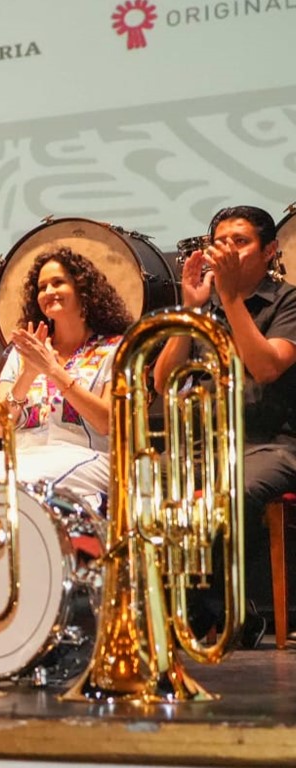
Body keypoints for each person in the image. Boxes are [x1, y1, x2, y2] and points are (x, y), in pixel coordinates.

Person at [153, 205, 296, 644]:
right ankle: (201, 612)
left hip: (269, 445)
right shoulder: (206, 307)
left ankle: (209, 614)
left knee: (227, 493)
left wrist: (231, 298)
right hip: (203, 447)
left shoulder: (287, 300)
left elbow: (267, 367)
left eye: (241, 241)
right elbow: (162, 382)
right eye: (220, 242)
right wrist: (190, 311)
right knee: (145, 490)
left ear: (269, 250)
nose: (227, 251)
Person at [0, 248, 132, 509]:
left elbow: (108, 422)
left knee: (23, 482)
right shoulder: (22, 353)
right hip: (22, 457)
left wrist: (54, 370)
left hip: (88, 458)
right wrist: (29, 373)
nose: (48, 291)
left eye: (58, 282)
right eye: (42, 287)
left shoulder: (115, 349)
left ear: (82, 289)